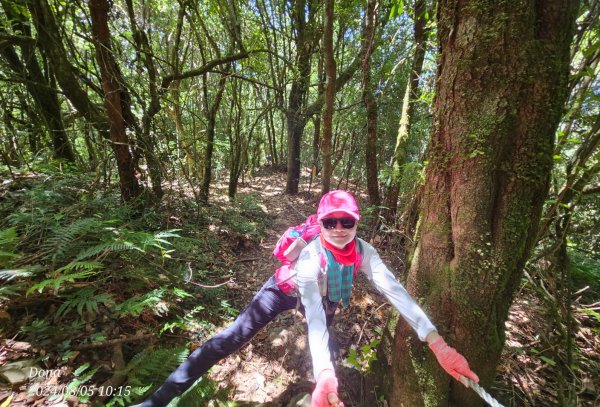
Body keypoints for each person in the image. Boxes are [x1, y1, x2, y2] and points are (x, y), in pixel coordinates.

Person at [134, 190, 479, 407]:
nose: (340, 228)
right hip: (282, 292)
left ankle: (321, 388)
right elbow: (311, 312)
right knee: (230, 338)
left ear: (357, 222)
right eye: (331, 222)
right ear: (322, 222)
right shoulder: (311, 254)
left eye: (348, 221)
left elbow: (394, 290)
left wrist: (436, 342)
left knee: (324, 349)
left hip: (326, 300)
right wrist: (328, 371)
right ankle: (160, 398)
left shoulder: (363, 251)